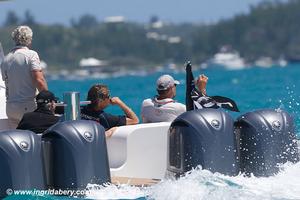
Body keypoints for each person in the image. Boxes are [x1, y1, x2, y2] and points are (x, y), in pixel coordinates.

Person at [1, 25, 48, 128]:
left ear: (14, 39)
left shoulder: (5, 60)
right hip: (27, 106)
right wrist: (49, 98)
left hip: (10, 108)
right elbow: (39, 80)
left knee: (17, 139)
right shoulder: (31, 55)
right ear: (29, 39)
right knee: (31, 137)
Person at [141, 74, 208, 123]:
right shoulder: (179, 108)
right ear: (171, 88)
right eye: (175, 85)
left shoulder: (146, 104)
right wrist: (202, 89)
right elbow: (202, 114)